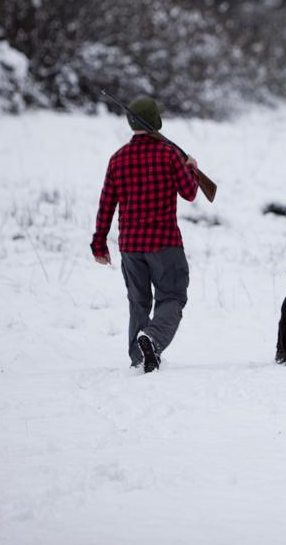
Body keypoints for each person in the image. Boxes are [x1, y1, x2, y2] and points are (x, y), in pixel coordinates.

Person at [91, 97, 199, 373]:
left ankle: (140, 360)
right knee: (172, 297)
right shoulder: (169, 155)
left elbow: (106, 204)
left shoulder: (117, 159)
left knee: (138, 302)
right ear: (156, 121)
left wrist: (99, 243)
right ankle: (151, 340)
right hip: (165, 244)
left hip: (130, 246)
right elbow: (189, 193)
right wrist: (191, 169)